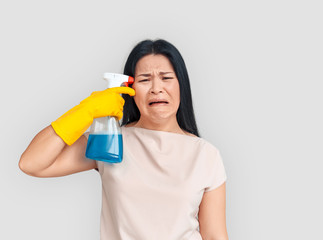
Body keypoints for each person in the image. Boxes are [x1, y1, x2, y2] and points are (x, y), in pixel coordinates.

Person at [19, 39, 228, 240]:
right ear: (130, 90)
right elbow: (31, 163)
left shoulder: (206, 154)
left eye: (166, 78)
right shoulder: (110, 141)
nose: (156, 88)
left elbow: (214, 235)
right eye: (145, 79)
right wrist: (85, 111)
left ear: (182, 84)